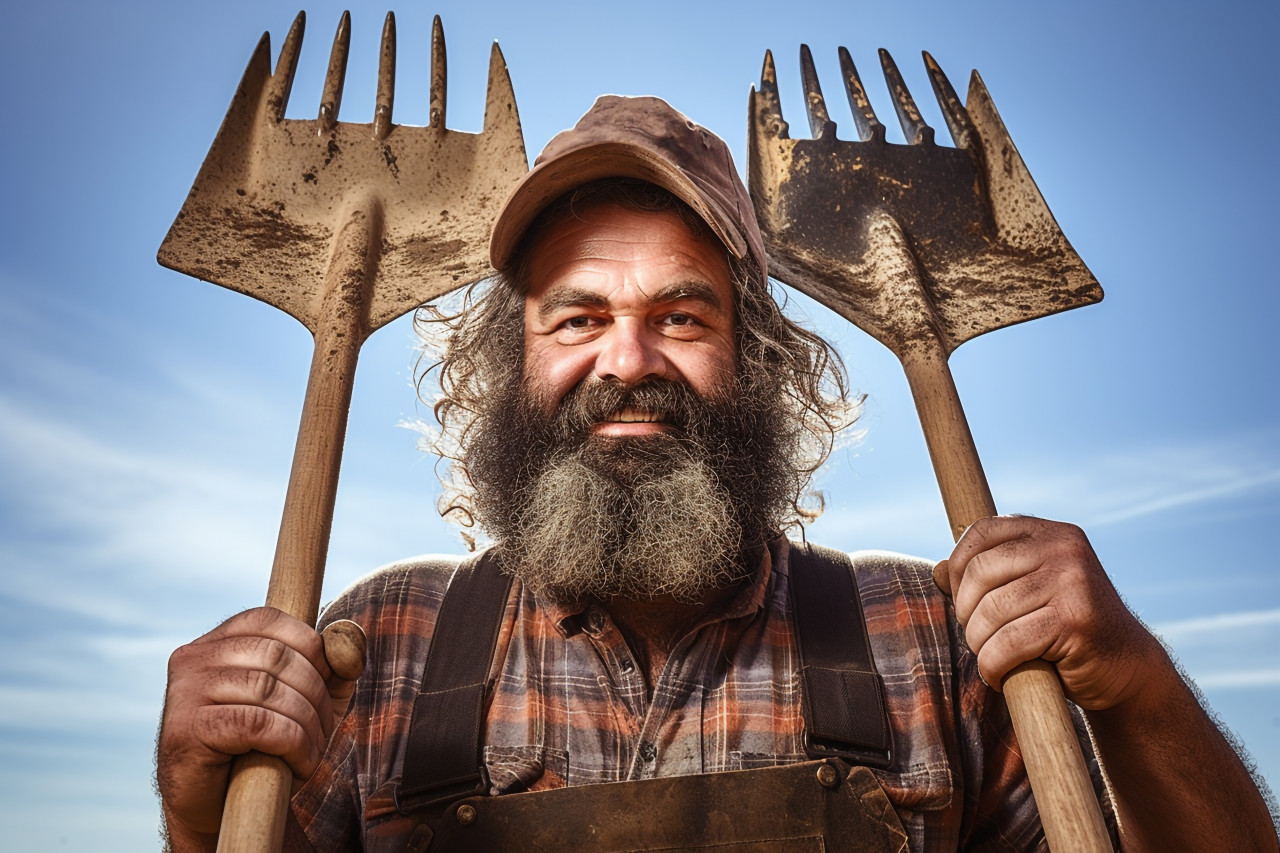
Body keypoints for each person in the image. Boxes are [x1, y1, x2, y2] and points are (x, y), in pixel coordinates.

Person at [157, 96, 1277, 852]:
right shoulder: (382, 645)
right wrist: (198, 804)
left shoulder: (935, 640)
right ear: (512, 362)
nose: (628, 360)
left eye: (681, 316)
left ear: (757, 359)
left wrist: (1132, 681)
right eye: (578, 317)